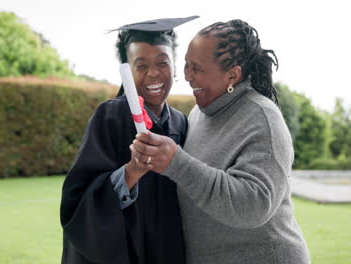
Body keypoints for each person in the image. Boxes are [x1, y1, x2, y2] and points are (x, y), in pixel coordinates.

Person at [131, 19, 311, 264]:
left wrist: (176, 163)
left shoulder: (262, 119)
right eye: (185, 64)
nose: (186, 76)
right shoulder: (199, 113)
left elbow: (254, 205)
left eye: (197, 68)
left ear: (232, 75)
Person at [60, 16, 198, 264]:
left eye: (162, 62)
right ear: (127, 71)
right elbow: (78, 202)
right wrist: (131, 172)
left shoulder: (180, 123)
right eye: (141, 65)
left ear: (175, 67)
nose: (153, 73)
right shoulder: (110, 117)